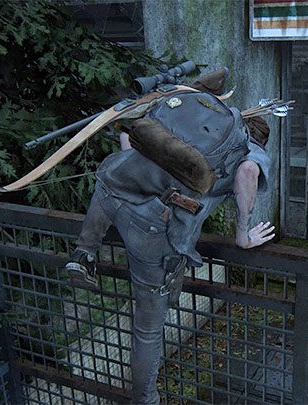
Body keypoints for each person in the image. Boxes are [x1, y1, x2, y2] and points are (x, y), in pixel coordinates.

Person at [63, 72, 274, 404]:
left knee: (110, 176)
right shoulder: (249, 150)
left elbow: (129, 139)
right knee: (148, 330)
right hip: (153, 231)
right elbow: (248, 172)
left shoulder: (191, 125)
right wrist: (243, 235)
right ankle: (146, 400)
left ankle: (84, 252)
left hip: (115, 200)